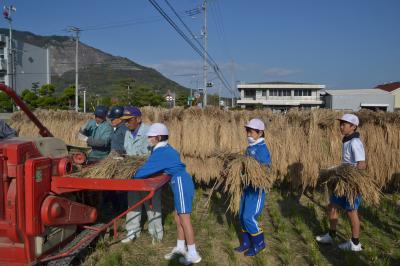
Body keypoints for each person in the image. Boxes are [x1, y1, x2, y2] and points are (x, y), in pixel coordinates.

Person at [134, 123, 201, 265]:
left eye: (150, 137)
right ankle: (180, 247)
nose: (148, 139)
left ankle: (193, 253)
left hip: (181, 184)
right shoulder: (166, 148)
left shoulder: (161, 152)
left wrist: (134, 173)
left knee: (184, 219)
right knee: (178, 218)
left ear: (158, 137)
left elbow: (141, 173)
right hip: (179, 182)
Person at [316, 114, 366, 251]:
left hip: (351, 184)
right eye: (341, 123)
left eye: (344, 124)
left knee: (351, 212)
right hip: (342, 181)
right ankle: (331, 235)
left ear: (353, 127)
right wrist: (338, 169)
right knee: (332, 206)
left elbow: (361, 164)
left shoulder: (355, 143)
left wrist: (352, 180)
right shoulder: (347, 141)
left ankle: (355, 243)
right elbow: (348, 162)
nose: (341, 126)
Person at [120, 106, 163, 243]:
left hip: (149, 175)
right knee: (132, 203)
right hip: (133, 175)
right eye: (124, 120)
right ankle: (132, 231)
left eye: (129, 120)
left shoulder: (150, 131)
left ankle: (156, 234)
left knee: (151, 205)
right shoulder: (128, 132)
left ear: (138, 119)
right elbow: (128, 152)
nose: (126, 123)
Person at [234, 118, 271, 256]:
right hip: (247, 188)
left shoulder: (262, 149)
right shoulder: (249, 148)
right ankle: (246, 242)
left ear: (260, 133)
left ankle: (259, 243)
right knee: (242, 216)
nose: (248, 135)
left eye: (251, 132)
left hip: (256, 190)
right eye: (247, 132)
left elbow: (266, 170)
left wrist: (254, 172)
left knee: (249, 217)